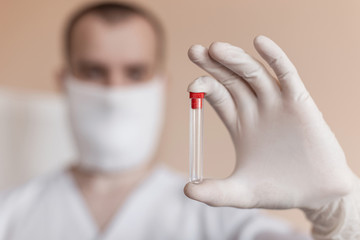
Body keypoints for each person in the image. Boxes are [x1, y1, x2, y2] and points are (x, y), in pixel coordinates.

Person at [0, 2, 359, 240]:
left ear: (162, 84)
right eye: (93, 71)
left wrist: (337, 211)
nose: (114, 90)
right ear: (64, 81)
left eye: (135, 72)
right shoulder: (11, 214)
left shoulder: (218, 218)